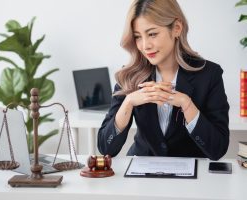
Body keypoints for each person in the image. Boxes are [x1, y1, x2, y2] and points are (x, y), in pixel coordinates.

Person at [97, 0, 229, 161]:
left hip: (191, 181)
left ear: (176, 28)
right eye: (138, 37)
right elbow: (106, 147)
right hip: (141, 176)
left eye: (152, 34)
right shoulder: (129, 76)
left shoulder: (209, 74)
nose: (145, 45)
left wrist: (187, 104)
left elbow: (218, 149)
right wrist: (129, 102)